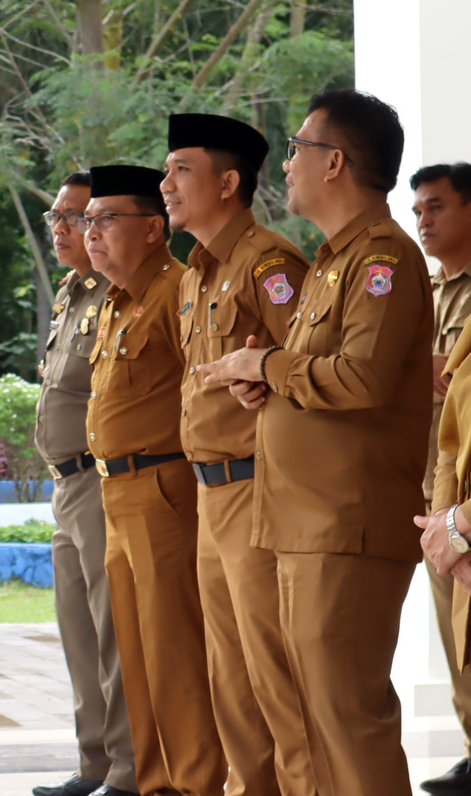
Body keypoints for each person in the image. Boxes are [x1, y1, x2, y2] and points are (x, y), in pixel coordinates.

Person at [200, 89, 433, 796]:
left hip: (346, 520)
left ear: (336, 163)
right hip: (306, 520)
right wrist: (265, 384)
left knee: (347, 718)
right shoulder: (334, 261)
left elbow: (361, 377)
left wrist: (264, 365)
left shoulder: (383, 257)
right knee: (314, 720)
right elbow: (319, 376)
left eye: (299, 149)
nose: (289, 163)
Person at [161, 114, 313, 796]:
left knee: (274, 672)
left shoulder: (270, 263)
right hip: (209, 493)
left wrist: (267, 376)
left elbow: (311, 370)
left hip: (259, 490)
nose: (166, 184)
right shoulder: (195, 273)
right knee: (230, 676)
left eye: (180, 170)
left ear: (228, 182)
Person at [83, 164, 225, 796]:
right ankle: (157, 782)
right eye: (88, 220)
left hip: (164, 487)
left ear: (152, 228)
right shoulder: (114, 300)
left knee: (175, 655)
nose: (92, 232)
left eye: (107, 218)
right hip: (116, 493)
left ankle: (197, 782)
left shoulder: (176, 289)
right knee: (136, 656)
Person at [31, 171, 136, 796]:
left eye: (79, 216)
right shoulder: (72, 292)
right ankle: (93, 760)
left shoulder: (118, 295)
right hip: (65, 486)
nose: (65, 228)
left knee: (112, 630)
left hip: (102, 482)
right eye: (59, 217)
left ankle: (125, 768)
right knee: (78, 629)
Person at [410, 162, 471, 796]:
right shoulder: (425, 290)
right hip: (433, 482)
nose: (424, 220)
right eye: (418, 211)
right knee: (452, 621)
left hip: (468, 483)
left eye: (436, 207)